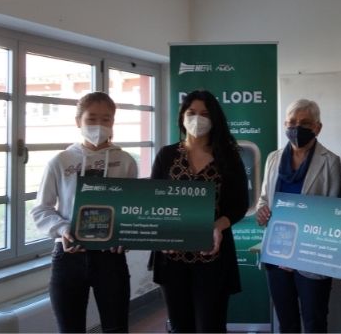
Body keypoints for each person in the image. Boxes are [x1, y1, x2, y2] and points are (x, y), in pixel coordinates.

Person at [32, 92, 139, 333]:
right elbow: (41, 209)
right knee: (70, 329)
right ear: (78, 121)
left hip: (110, 257)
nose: (99, 125)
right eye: (92, 119)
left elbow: (131, 209)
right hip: (69, 255)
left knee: (116, 328)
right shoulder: (60, 161)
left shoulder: (125, 162)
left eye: (106, 119)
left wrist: (125, 236)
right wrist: (64, 229)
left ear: (113, 122)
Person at [150, 89, 249, 333]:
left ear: (214, 119)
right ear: (182, 117)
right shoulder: (167, 155)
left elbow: (239, 204)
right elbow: (152, 201)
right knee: (181, 327)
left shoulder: (228, 156)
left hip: (212, 258)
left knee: (211, 327)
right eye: (191, 112)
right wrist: (161, 235)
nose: (197, 118)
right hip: (172, 259)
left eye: (204, 113)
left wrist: (219, 225)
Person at [254, 99, 341, 333]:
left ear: (317, 127)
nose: (297, 127)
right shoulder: (273, 158)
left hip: (310, 255)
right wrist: (262, 211)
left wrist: (299, 251)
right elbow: (264, 198)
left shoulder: (330, 161)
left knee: (314, 322)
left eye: (305, 122)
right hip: (276, 253)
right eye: (292, 122)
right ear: (285, 124)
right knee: (287, 321)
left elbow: (332, 213)